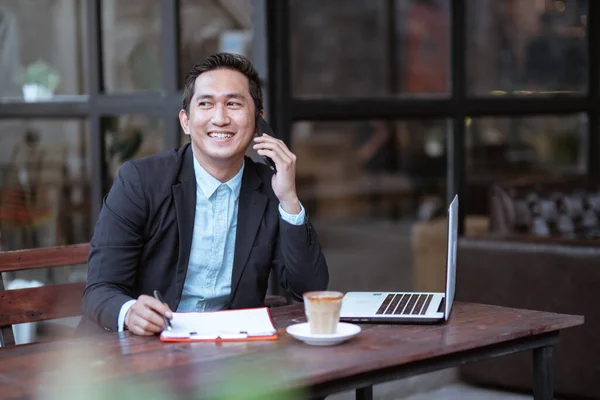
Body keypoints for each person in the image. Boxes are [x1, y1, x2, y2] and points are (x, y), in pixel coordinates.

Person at [78, 53, 329, 336]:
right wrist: (129, 311)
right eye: (206, 104)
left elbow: (311, 291)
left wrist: (289, 200)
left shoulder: (270, 188)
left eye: (233, 104)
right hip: (137, 351)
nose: (220, 118)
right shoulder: (141, 181)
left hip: (226, 355)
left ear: (259, 121)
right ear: (186, 121)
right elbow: (99, 290)